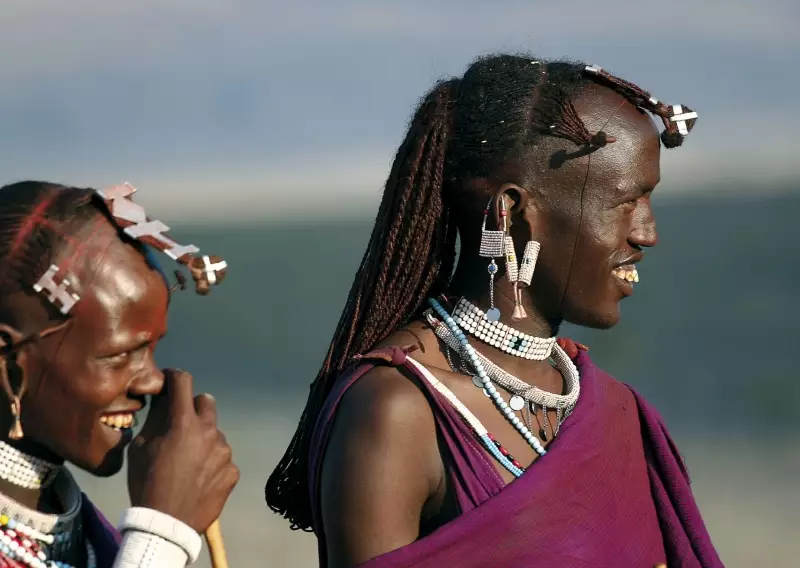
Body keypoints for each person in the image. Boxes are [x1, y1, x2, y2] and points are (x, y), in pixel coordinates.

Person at [266, 56, 723, 567]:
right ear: (511, 212)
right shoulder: (399, 410)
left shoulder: (619, 413)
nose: (647, 233)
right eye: (625, 203)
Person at [0, 180, 239, 568]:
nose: (153, 381)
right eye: (119, 355)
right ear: (9, 360)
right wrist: (160, 532)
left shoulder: (84, 535)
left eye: (151, 350)